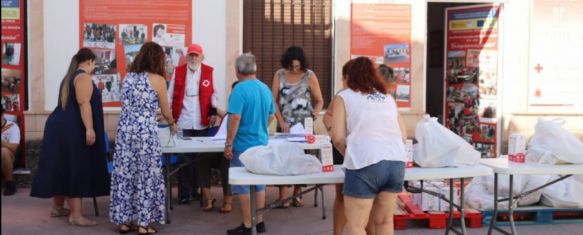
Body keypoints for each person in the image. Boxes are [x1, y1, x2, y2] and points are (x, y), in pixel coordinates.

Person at [30, 48, 110, 226]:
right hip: (72, 130)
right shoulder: (83, 77)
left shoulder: (68, 77)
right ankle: (76, 215)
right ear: (89, 61)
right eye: (94, 63)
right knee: (76, 168)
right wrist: (89, 128)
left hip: (59, 128)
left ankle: (57, 207)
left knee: (62, 167)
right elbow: (83, 103)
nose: (94, 67)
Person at [330, 57, 408, 235]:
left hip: (364, 162)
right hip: (395, 163)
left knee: (357, 225)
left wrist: (350, 154)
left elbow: (337, 137)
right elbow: (402, 136)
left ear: (349, 77)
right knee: (384, 222)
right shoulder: (387, 98)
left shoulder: (344, 96)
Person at [109, 41, 176, 234]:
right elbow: (165, 110)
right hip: (146, 133)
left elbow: (129, 104)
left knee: (125, 173)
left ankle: (125, 221)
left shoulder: (128, 77)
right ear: (157, 59)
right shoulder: (158, 80)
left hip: (125, 131)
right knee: (147, 175)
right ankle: (143, 223)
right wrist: (171, 122)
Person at [167, 43, 227, 209]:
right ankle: (184, 194)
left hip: (202, 121)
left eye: (196, 55)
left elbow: (214, 93)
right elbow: (170, 95)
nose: (193, 58)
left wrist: (214, 111)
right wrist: (170, 118)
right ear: (187, 57)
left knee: (200, 158)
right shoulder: (178, 72)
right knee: (183, 158)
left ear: (202, 57)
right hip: (182, 121)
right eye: (191, 55)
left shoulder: (209, 71)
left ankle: (197, 191)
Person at [225, 53, 275, 235]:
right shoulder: (265, 88)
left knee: (243, 185)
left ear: (238, 70)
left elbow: (235, 117)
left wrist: (229, 143)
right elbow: (271, 115)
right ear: (255, 69)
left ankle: (248, 224)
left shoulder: (239, 89)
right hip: (261, 142)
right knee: (259, 184)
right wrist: (260, 128)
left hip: (243, 144)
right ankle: (259, 222)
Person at [271, 45, 323, 207]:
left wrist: (312, 117)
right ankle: (283, 195)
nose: (294, 69)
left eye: (297, 65)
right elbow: (273, 101)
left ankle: (297, 193)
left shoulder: (309, 76)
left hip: (304, 127)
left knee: (301, 158)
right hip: (285, 125)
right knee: (283, 158)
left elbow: (320, 101)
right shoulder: (279, 75)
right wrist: (280, 121)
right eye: (291, 65)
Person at [323, 59, 352, 235]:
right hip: (341, 147)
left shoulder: (373, 95)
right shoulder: (341, 95)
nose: (344, 80)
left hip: (362, 151)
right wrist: (334, 130)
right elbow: (327, 116)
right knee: (341, 195)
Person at [1, 108, 20, 196]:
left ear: (2, 114)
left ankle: (9, 184)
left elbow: (14, 147)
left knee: (4, 151)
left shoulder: (12, 126)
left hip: (8, 158)